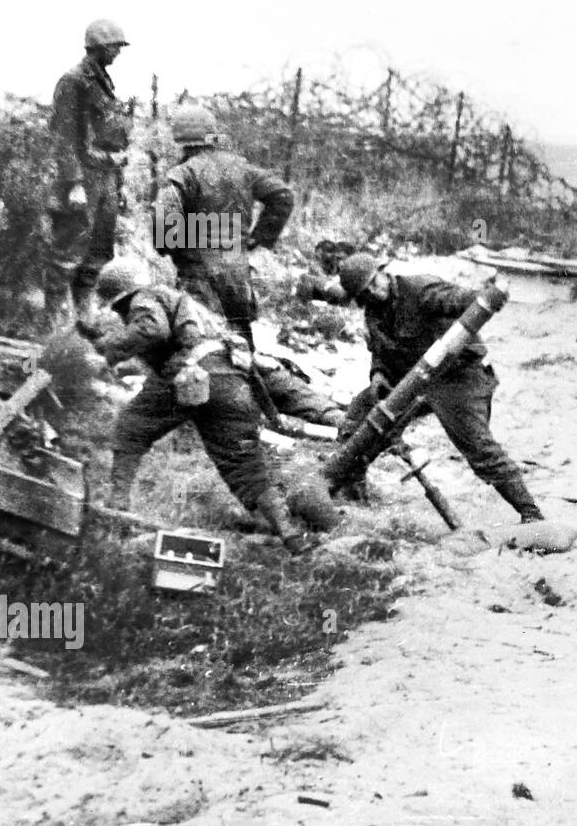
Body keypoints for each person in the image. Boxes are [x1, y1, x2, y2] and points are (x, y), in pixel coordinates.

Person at [78, 258, 315, 554]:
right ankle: (292, 537)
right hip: (229, 378)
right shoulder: (172, 298)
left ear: (122, 296)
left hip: (189, 371)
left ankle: (117, 508)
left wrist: (108, 355)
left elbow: (152, 330)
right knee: (243, 466)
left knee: (129, 429)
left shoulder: (144, 299)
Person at [154, 104, 341, 427]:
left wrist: (188, 243)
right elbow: (283, 195)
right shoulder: (241, 168)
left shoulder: (181, 176)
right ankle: (270, 410)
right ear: (212, 136)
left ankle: (212, 419)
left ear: (182, 141)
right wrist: (257, 239)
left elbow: (164, 237)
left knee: (201, 351)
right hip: (238, 277)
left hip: (199, 279)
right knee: (245, 351)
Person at [335, 252, 544, 522]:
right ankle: (349, 489)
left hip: (457, 376)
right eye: (367, 291)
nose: (376, 291)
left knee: (478, 448)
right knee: (360, 416)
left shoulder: (420, 289)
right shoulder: (373, 314)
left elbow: (455, 299)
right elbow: (380, 352)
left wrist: (485, 298)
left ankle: (531, 514)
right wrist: (377, 375)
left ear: (383, 272)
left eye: (375, 282)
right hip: (413, 381)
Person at [49, 19, 132, 315]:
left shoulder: (103, 82)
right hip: (83, 179)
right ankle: (54, 321)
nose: (118, 53)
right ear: (98, 46)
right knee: (68, 252)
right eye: (114, 47)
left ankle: (85, 317)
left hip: (105, 178)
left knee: (99, 252)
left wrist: (117, 186)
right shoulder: (74, 81)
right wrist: (74, 183)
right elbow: (63, 136)